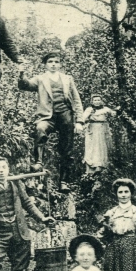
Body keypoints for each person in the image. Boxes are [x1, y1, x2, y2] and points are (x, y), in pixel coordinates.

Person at [18, 51, 84, 192]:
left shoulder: (67, 79)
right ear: (45, 64)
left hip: (66, 115)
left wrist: (79, 121)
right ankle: (38, 162)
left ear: (60, 64)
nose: (53, 64)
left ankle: (64, 181)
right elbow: (25, 85)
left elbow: (77, 100)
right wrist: (22, 74)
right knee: (40, 129)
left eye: (56, 62)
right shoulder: (41, 79)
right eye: (50, 62)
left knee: (67, 149)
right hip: (48, 116)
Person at [80, 95, 117, 174]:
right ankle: (91, 167)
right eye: (95, 100)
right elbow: (83, 118)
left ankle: (101, 166)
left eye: (98, 100)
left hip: (103, 129)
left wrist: (115, 111)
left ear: (101, 101)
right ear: (92, 101)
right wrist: (89, 115)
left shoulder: (105, 109)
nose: (97, 102)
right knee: (91, 147)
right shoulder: (89, 109)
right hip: (92, 129)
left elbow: (113, 114)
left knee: (102, 146)